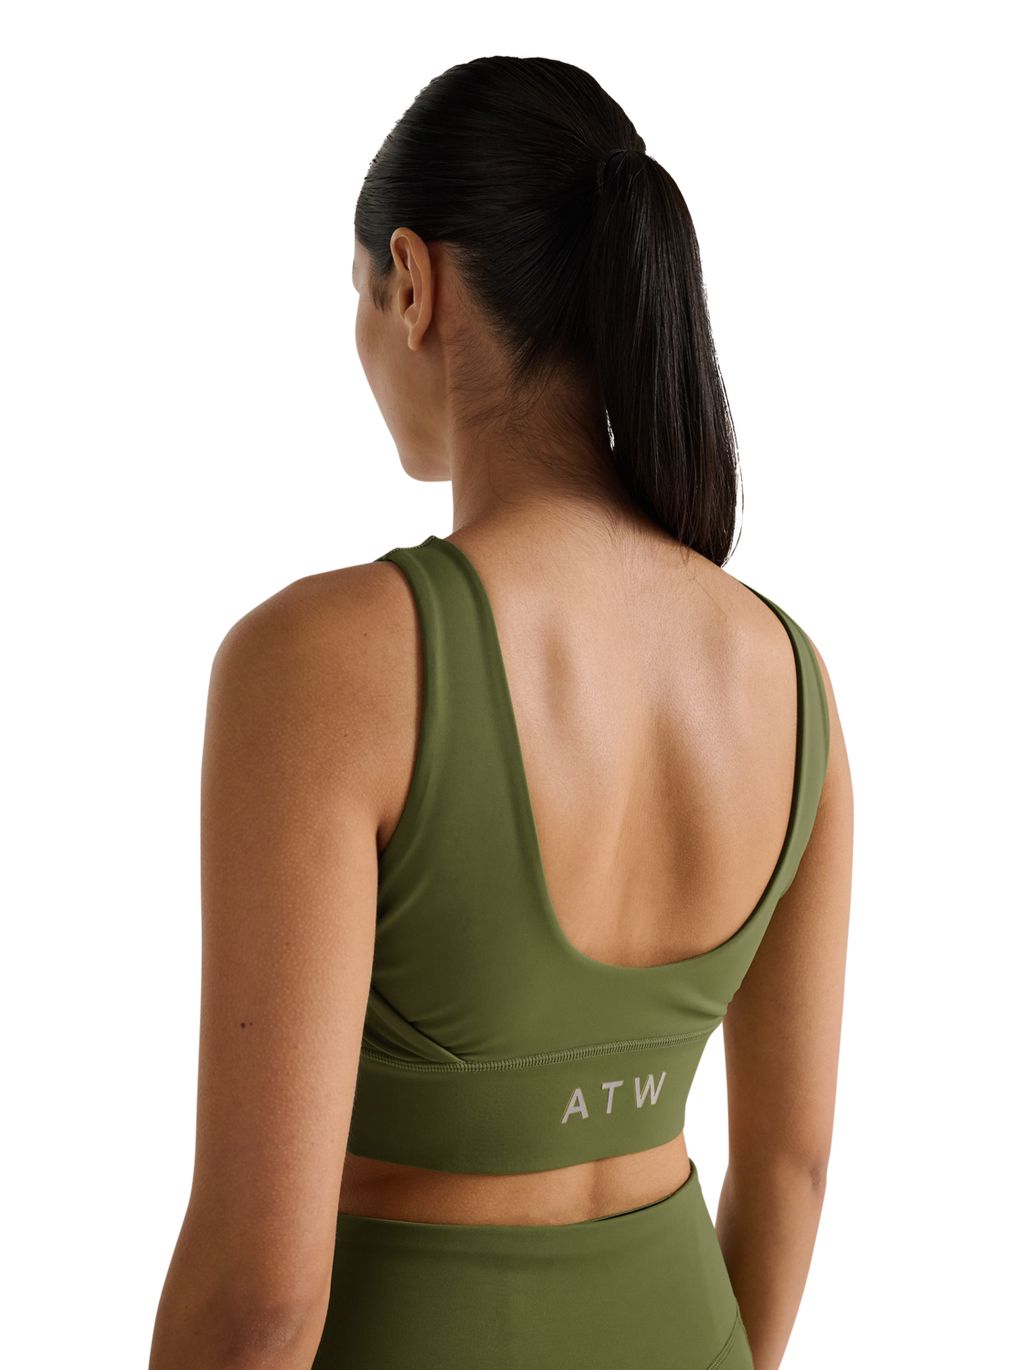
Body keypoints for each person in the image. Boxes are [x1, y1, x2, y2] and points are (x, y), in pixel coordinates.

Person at [150, 55, 853, 1370]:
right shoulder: (788, 674)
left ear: (412, 282)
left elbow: (260, 1302)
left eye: (358, 296)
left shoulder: (325, 663)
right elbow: (792, 1165)